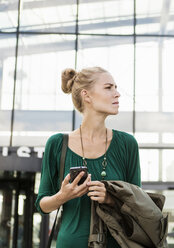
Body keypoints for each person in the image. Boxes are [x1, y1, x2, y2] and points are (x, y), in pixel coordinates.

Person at [34, 67, 141, 248]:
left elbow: (138, 204)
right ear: (87, 96)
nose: (117, 94)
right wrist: (62, 196)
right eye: (109, 88)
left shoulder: (127, 144)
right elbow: (42, 205)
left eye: (115, 87)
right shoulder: (57, 143)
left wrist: (110, 198)